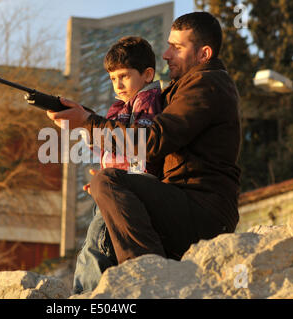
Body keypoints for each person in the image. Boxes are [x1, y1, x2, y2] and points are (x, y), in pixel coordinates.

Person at [47, 12, 241, 294]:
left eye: (177, 47)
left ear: (204, 54)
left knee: (108, 181)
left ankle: (148, 277)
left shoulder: (207, 85)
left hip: (203, 212)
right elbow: (140, 136)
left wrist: (87, 123)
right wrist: (84, 116)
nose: (165, 54)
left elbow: (151, 141)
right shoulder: (182, 88)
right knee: (108, 188)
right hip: (184, 203)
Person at [75, 36, 165, 294]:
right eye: (113, 78)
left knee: (96, 245)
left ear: (147, 74)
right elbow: (108, 146)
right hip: (113, 185)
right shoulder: (121, 107)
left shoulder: (147, 101)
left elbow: (138, 142)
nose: (118, 84)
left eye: (124, 76)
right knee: (96, 244)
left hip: (128, 188)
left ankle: (84, 295)